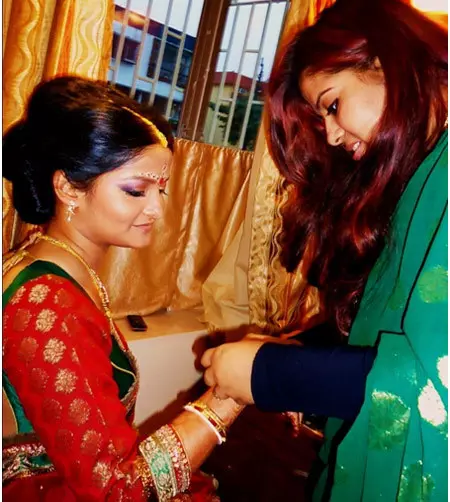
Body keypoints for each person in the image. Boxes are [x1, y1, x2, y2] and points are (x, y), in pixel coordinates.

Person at [201, 0, 448, 500]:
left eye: (333, 105)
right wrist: (297, 352)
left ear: (385, 61)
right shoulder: (423, 180)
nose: (332, 136)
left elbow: (435, 386)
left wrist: (271, 374)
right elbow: (390, 327)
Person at [2, 75, 243, 501]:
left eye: (161, 189)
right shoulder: (47, 303)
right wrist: (228, 397)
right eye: (136, 190)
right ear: (67, 187)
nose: (157, 208)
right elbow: (118, 489)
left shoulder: (62, 268)